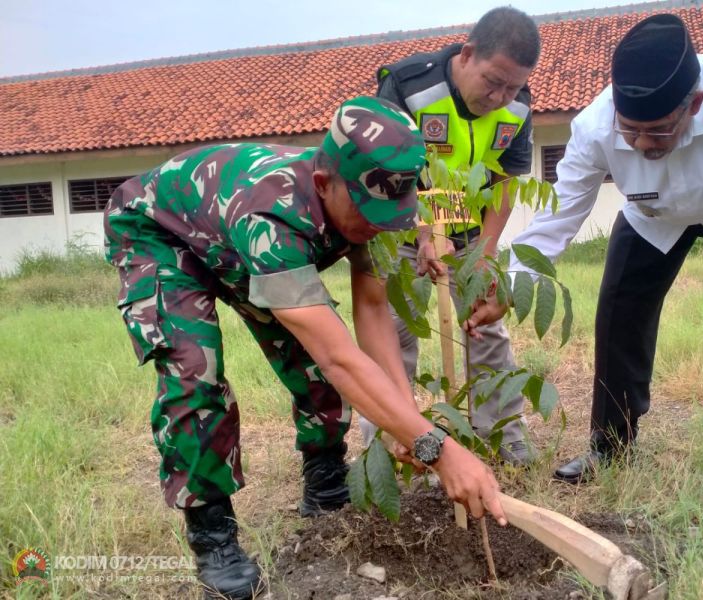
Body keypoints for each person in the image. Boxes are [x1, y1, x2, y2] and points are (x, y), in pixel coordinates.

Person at [104, 96, 508, 600]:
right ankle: (212, 534)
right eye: (367, 213)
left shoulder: (376, 202)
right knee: (195, 369)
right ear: (323, 184)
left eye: (391, 213)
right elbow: (341, 356)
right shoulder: (270, 217)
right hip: (161, 234)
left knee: (316, 371)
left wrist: (404, 416)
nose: (379, 224)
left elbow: (373, 311)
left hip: (235, 243)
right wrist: (438, 449)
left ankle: (325, 487)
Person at [508, 14, 703, 527]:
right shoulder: (594, 126)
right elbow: (558, 210)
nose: (642, 146)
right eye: (629, 132)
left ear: (694, 104)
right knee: (617, 318)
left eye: (658, 131)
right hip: (651, 215)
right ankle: (609, 447)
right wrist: (517, 280)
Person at [360, 6, 542, 465]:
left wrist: (485, 249)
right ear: (467, 53)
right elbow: (387, 172)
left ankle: (501, 435)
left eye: (513, 86)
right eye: (493, 81)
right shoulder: (409, 85)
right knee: (395, 331)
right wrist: (423, 233)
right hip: (400, 232)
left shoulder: (519, 106)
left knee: (486, 331)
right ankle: (388, 445)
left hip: (470, 236)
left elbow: (506, 181)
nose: (501, 96)